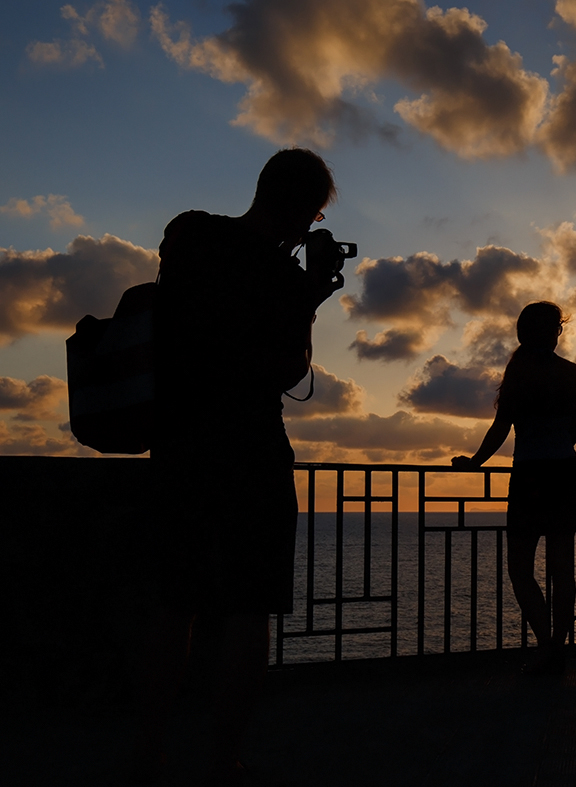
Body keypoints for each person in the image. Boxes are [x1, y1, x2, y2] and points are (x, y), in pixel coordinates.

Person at [134, 148, 343, 783]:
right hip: (250, 450)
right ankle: (222, 759)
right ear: (303, 210)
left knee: (176, 605)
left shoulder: (189, 234)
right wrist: (309, 294)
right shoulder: (282, 281)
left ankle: (148, 751)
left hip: (180, 445)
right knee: (250, 612)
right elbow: (287, 369)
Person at [453, 302, 576, 675]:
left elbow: (501, 428)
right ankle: (558, 646)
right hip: (564, 472)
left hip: (529, 474)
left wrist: (475, 462)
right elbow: (575, 432)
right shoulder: (572, 373)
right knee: (563, 570)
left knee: (520, 567)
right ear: (556, 333)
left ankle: (544, 645)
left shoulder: (519, 373)